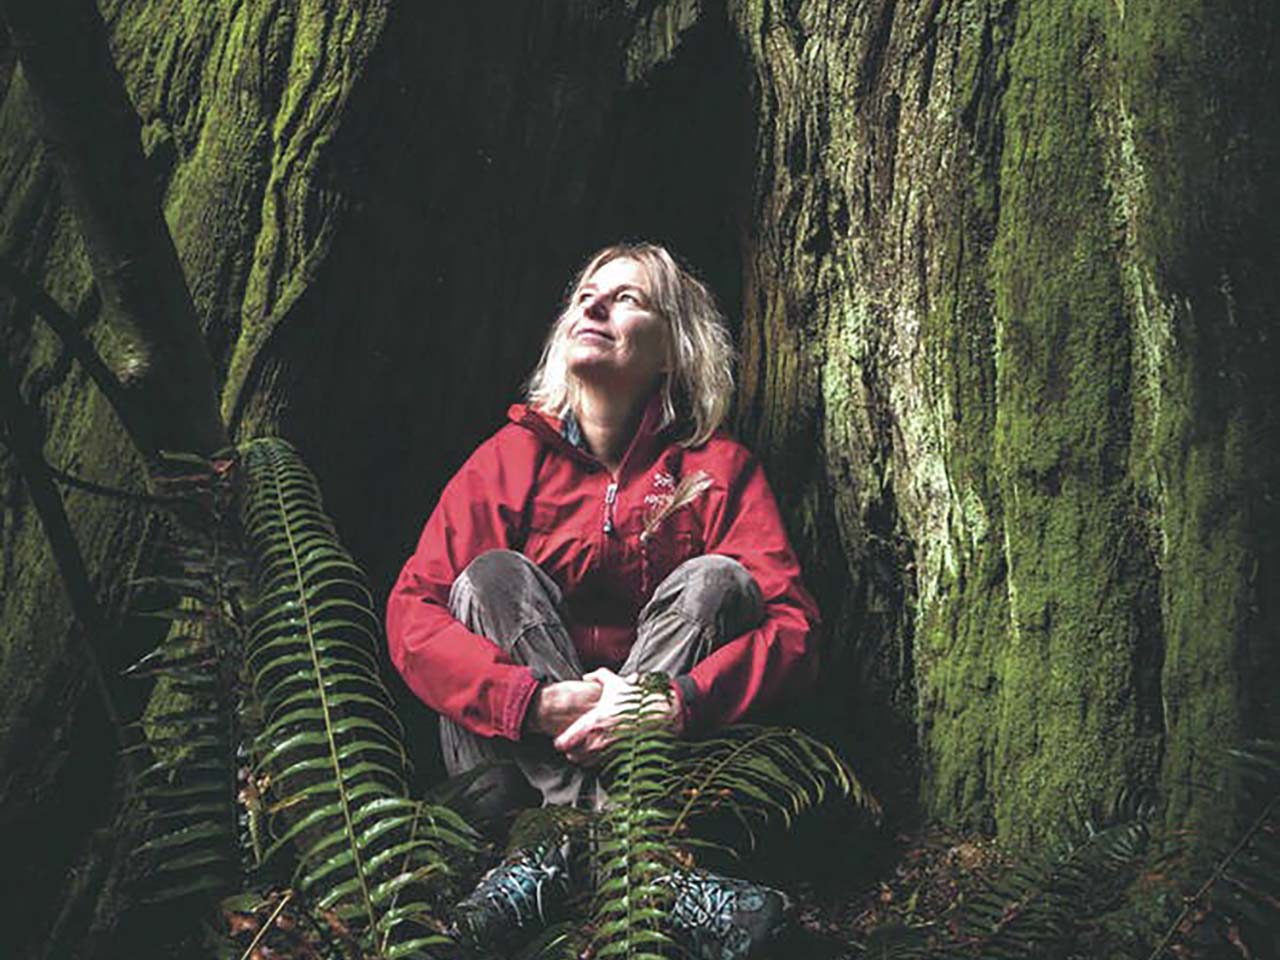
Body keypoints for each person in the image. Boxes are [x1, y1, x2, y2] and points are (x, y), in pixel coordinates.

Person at [385, 242, 820, 958]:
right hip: (510, 773)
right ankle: (649, 874)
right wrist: (526, 699)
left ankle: (568, 861)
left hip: (668, 767)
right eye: (587, 293)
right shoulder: (508, 460)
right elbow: (412, 615)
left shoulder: (718, 471)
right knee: (492, 576)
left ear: (674, 351)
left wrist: (676, 700)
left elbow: (793, 629)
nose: (593, 304)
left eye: (627, 298)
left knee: (718, 579)